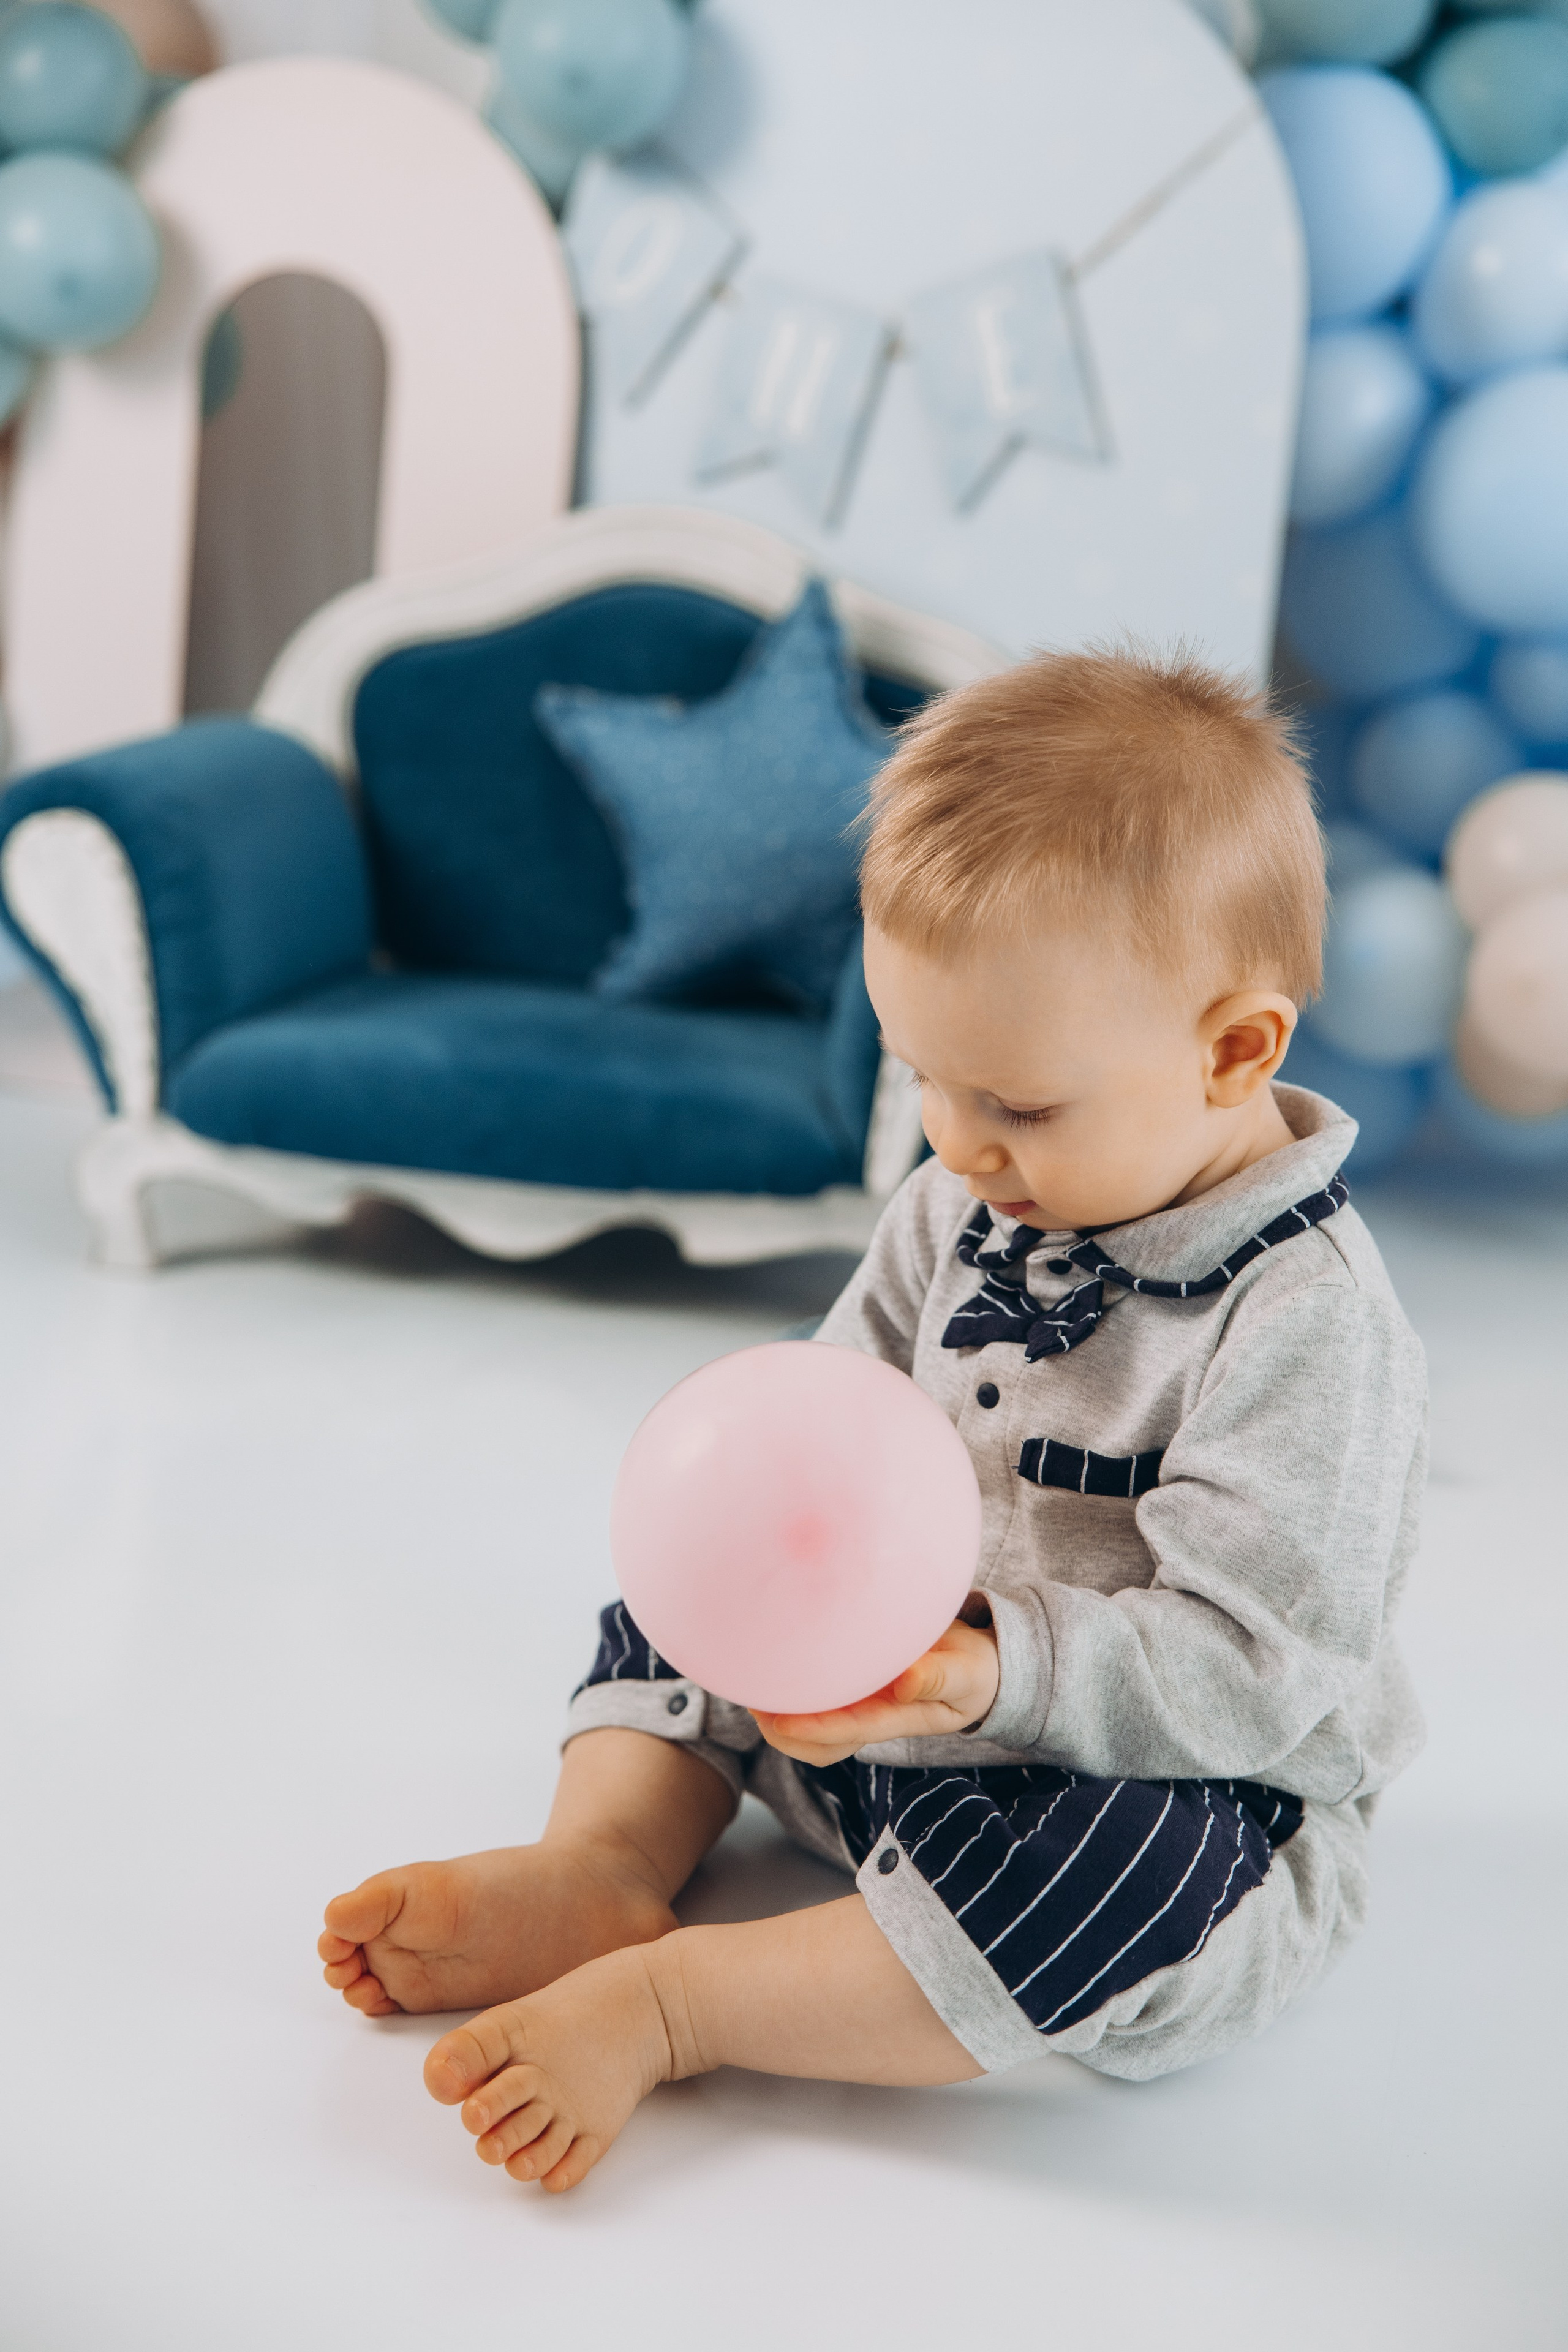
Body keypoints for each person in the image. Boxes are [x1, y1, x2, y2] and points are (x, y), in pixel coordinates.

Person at [317, 647, 1427, 2194]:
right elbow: (823, 1435)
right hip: (875, 1720)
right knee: (676, 1594)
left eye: (1020, 1105)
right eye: (925, 1079)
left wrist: (993, 1674)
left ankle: (680, 2001)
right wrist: (761, 1566)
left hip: (1156, 1778)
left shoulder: (1306, 1326)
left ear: (1234, 1050)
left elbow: (1254, 1676)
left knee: (1128, 1875)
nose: (960, 1146)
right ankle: (606, 1865)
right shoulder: (958, 1201)